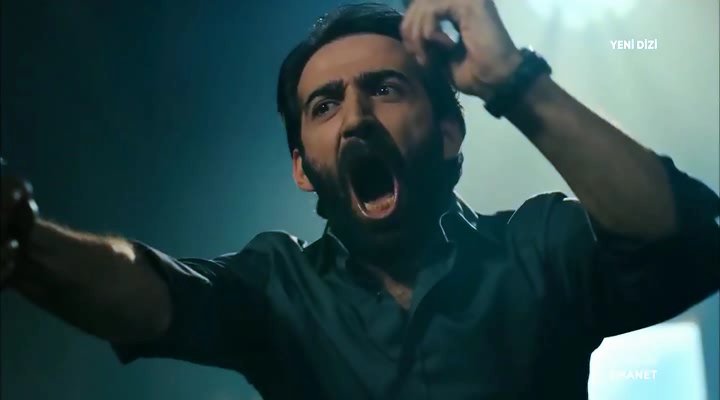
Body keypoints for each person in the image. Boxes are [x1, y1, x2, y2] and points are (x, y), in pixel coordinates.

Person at [1, 1, 718, 399]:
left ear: (448, 133)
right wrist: (20, 238)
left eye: (384, 88)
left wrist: (511, 80)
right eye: (324, 104)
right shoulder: (277, 287)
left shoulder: (539, 247)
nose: (355, 119)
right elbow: (150, 292)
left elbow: (694, 240)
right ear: (301, 168)